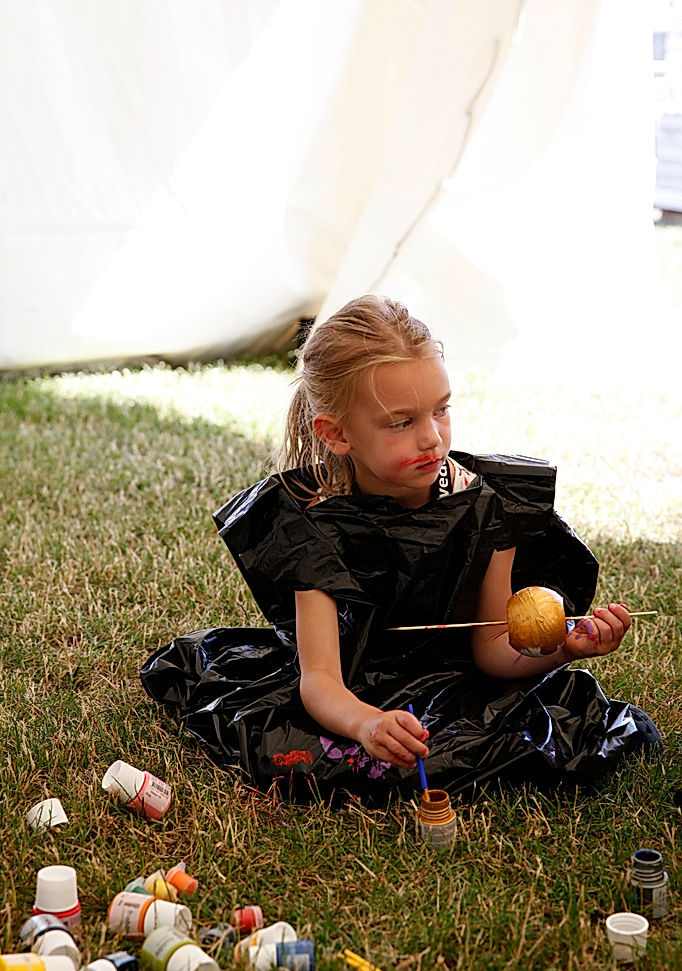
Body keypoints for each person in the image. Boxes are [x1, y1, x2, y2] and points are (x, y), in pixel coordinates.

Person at [141, 295, 661, 802]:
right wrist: (366, 723)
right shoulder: (315, 526)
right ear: (337, 434)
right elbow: (320, 679)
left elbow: (492, 651)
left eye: (441, 410)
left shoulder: (486, 505)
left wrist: (563, 648)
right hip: (357, 690)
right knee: (324, 756)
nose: (432, 438)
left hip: (461, 685)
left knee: (527, 741)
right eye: (401, 422)